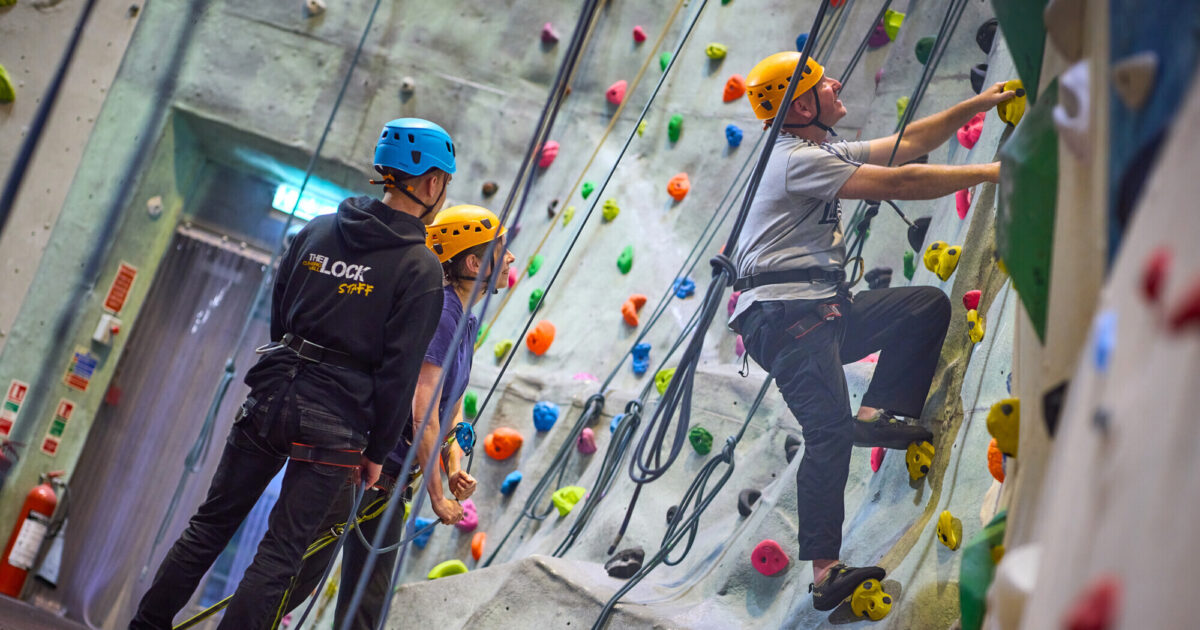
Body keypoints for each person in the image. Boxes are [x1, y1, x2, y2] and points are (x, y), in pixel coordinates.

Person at [130, 117, 456, 630]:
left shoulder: (319, 229)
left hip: (273, 392)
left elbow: (280, 318)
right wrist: (376, 454)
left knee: (209, 527)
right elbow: (399, 376)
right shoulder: (420, 269)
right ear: (433, 183)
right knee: (280, 556)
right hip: (337, 424)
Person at [729, 51, 1015, 611]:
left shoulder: (813, 150)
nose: (834, 83)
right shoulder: (793, 161)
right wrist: (992, 172)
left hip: (820, 313)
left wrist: (978, 104)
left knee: (925, 307)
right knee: (827, 433)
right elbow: (903, 180)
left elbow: (905, 145)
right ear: (802, 105)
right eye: (819, 82)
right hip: (788, 322)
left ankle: (875, 412)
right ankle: (824, 573)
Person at [282, 204, 514, 629]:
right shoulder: (442, 313)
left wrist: (453, 461)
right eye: (503, 248)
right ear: (474, 262)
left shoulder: (465, 319)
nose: (511, 257)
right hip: (363, 474)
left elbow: (450, 400)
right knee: (298, 580)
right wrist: (438, 495)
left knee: (365, 607)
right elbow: (421, 407)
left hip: (388, 485)